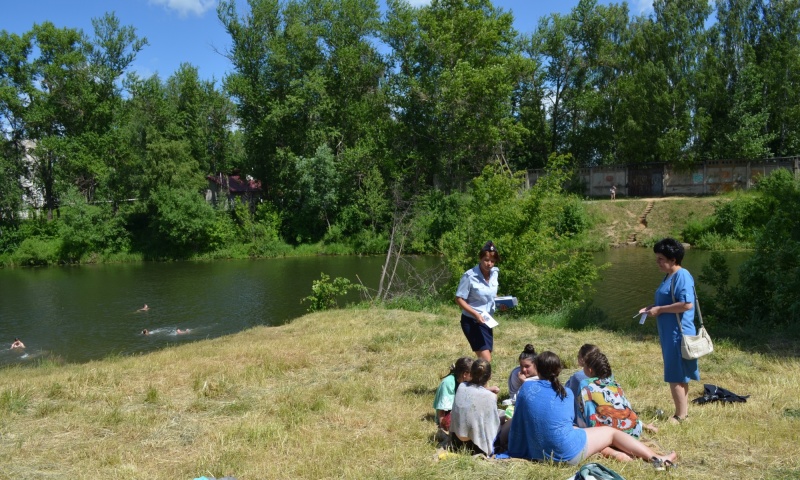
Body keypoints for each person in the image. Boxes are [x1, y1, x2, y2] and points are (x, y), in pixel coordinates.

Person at [508, 351, 677, 468]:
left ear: (537, 368)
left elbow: (519, 420)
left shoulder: (526, 388)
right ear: (559, 370)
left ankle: (615, 454)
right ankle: (656, 458)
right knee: (609, 432)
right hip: (565, 454)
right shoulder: (566, 393)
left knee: (580, 433)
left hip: (537, 452)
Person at [640, 238, 700, 425]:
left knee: (675, 374)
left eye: (660, 259)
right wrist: (652, 307)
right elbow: (668, 300)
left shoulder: (682, 276)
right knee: (679, 374)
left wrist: (661, 310)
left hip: (678, 334)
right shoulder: (668, 275)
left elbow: (686, 304)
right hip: (669, 332)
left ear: (673, 259)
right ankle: (683, 412)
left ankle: (680, 416)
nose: (657, 262)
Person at [577, 350, 658, 460]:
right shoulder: (615, 384)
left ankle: (614, 453)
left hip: (607, 435)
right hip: (633, 431)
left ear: (590, 370)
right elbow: (626, 407)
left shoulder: (584, 384)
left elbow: (585, 412)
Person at [455, 241, 500, 362]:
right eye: (486, 260)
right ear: (480, 258)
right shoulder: (469, 276)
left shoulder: (495, 273)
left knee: (484, 359)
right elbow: (459, 299)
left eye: (492, 261)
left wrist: (500, 303)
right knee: (486, 360)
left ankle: (468, 375)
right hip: (472, 321)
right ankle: (465, 375)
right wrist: (475, 314)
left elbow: (491, 294)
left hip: (486, 321)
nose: (489, 263)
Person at [449, 359, 501, 457]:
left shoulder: (461, 386)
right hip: (476, 446)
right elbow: (493, 427)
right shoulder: (490, 397)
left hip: (456, 441)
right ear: (490, 376)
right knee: (507, 421)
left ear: (471, 374)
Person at [433, 357, 474, 438]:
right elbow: (442, 410)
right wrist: (443, 429)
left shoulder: (466, 382)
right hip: (449, 416)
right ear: (465, 374)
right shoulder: (448, 383)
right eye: (472, 374)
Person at [565, 343, 600, 428]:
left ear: (582, 359)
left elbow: (569, 395)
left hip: (582, 421)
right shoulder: (608, 374)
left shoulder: (578, 378)